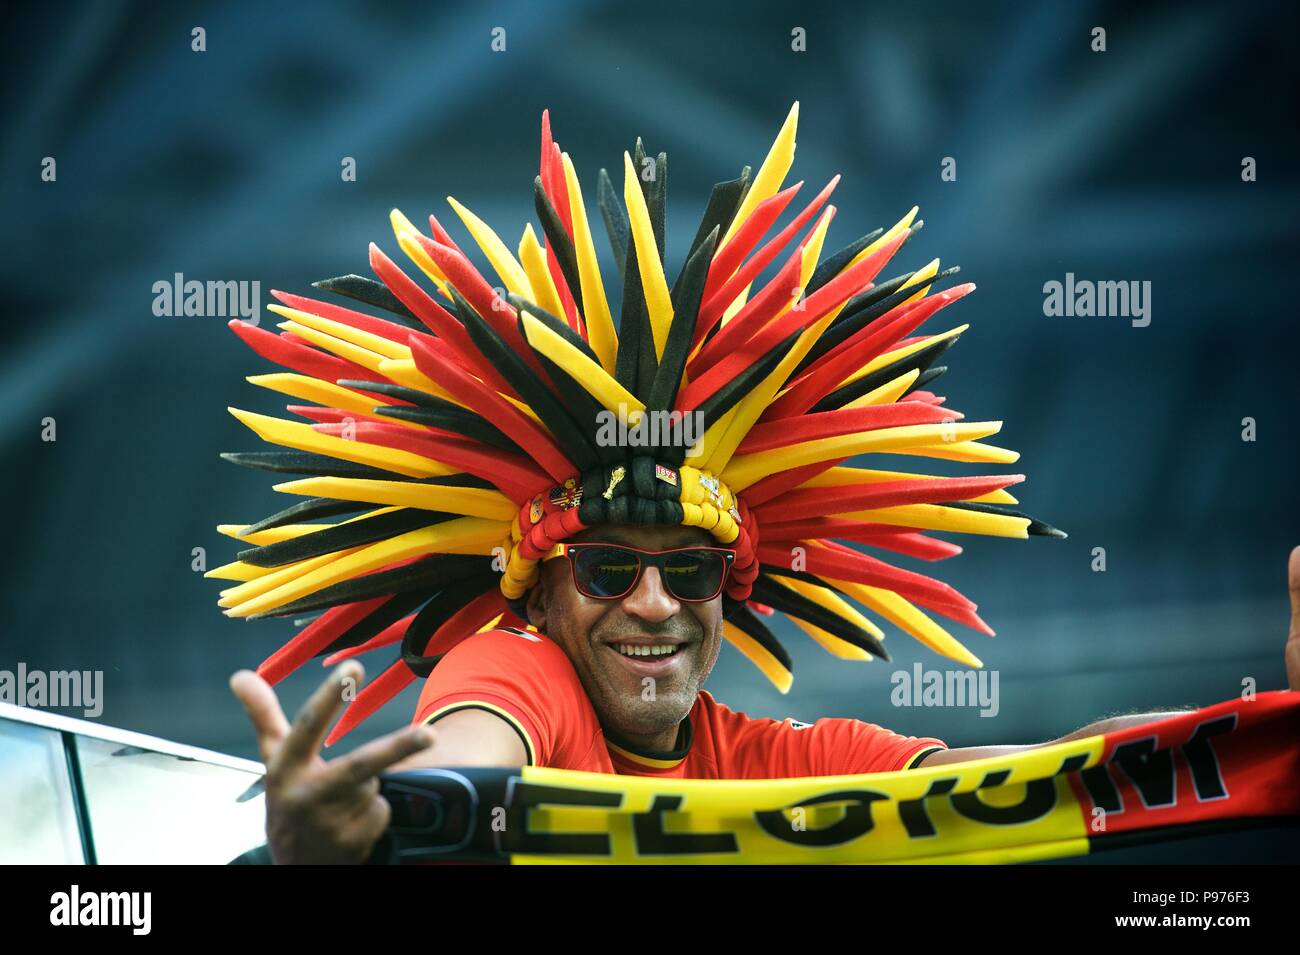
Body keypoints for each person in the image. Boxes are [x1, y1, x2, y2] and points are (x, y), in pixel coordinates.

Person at [213, 105, 1298, 863]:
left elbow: (1053, 772)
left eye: (688, 570)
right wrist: (362, 830)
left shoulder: (787, 765)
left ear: (727, 592)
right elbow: (466, 761)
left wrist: (1273, 731)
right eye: (604, 569)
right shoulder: (518, 672)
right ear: (537, 595)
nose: (653, 603)